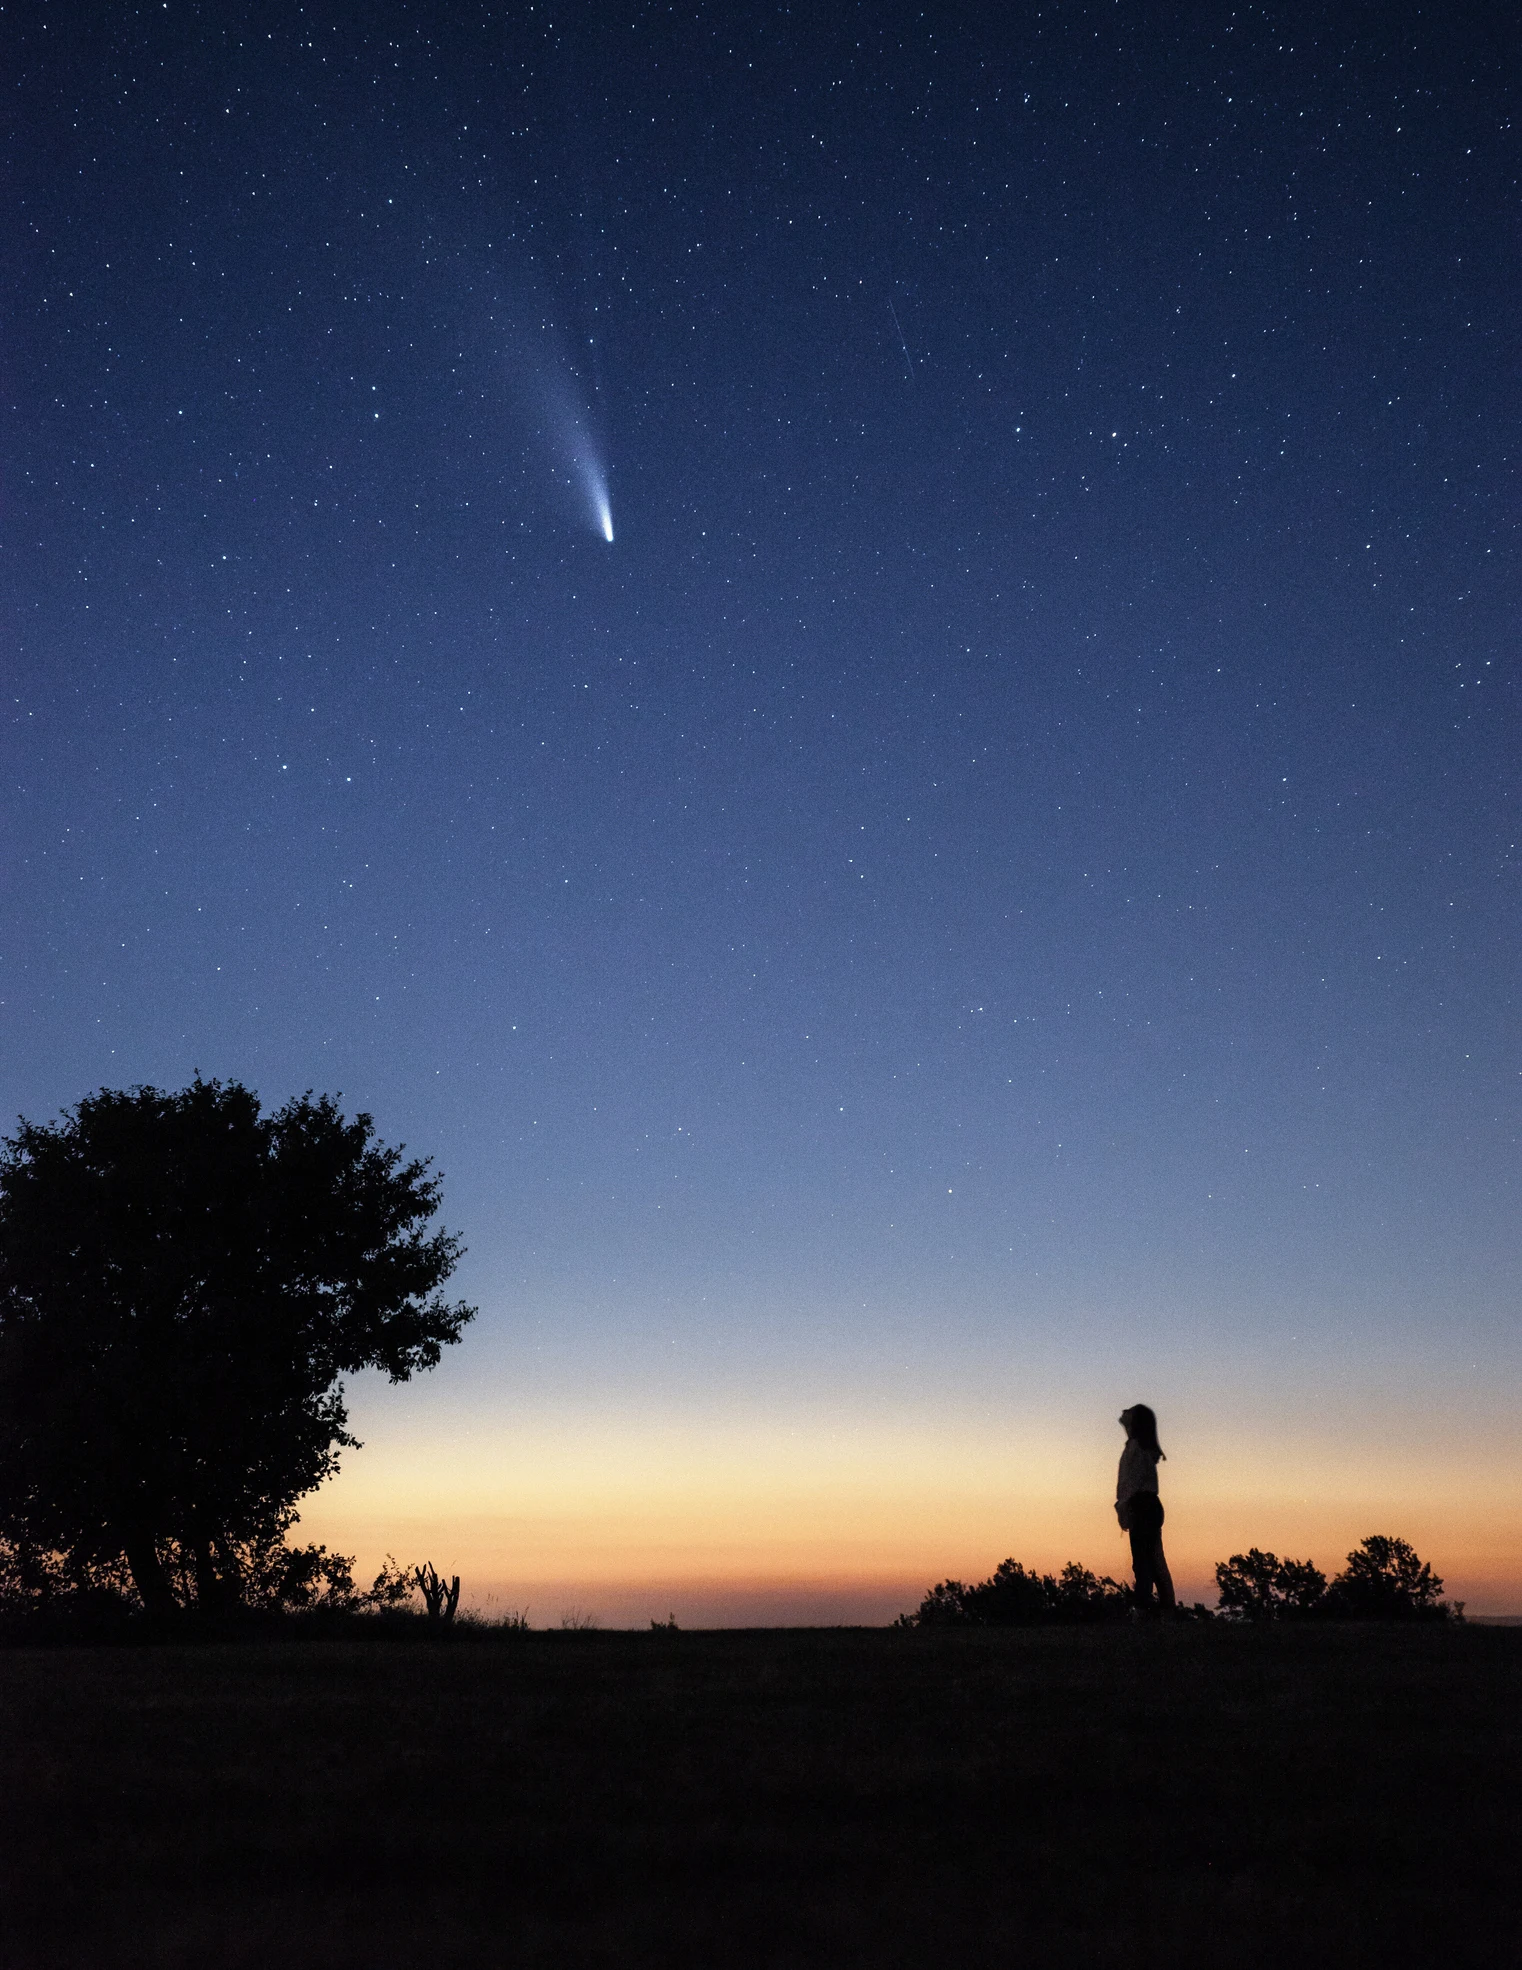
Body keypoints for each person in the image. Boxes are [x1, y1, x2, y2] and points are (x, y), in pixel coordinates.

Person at [1116, 1403, 1175, 1614]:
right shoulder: (1142, 1448)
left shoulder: (1136, 1449)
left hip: (1142, 1507)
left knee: (1144, 1563)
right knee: (1154, 1561)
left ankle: (1146, 1610)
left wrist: (1124, 1508)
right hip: (1147, 1506)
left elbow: (1129, 1484)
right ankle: (1165, 1610)